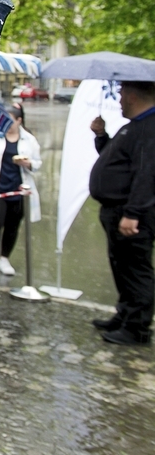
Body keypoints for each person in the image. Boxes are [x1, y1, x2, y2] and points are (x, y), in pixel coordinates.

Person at [89, 80, 155, 346]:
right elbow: (116, 162)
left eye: (120, 95)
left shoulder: (149, 129)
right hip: (117, 211)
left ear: (130, 96)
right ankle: (125, 315)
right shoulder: (134, 127)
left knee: (135, 269)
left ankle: (137, 328)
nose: (118, 100)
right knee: (121, 265)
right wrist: (102, 136)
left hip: (131, 214)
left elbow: (147, 176)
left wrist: (133, 213)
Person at [0, 104, 42, 279]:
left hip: (19, 190)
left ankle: (4, 258)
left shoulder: (29, 140)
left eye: (10, 120)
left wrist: (28, 164)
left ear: (19, 120)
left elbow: (37, 163)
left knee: (13, 226)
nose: (6, 123)